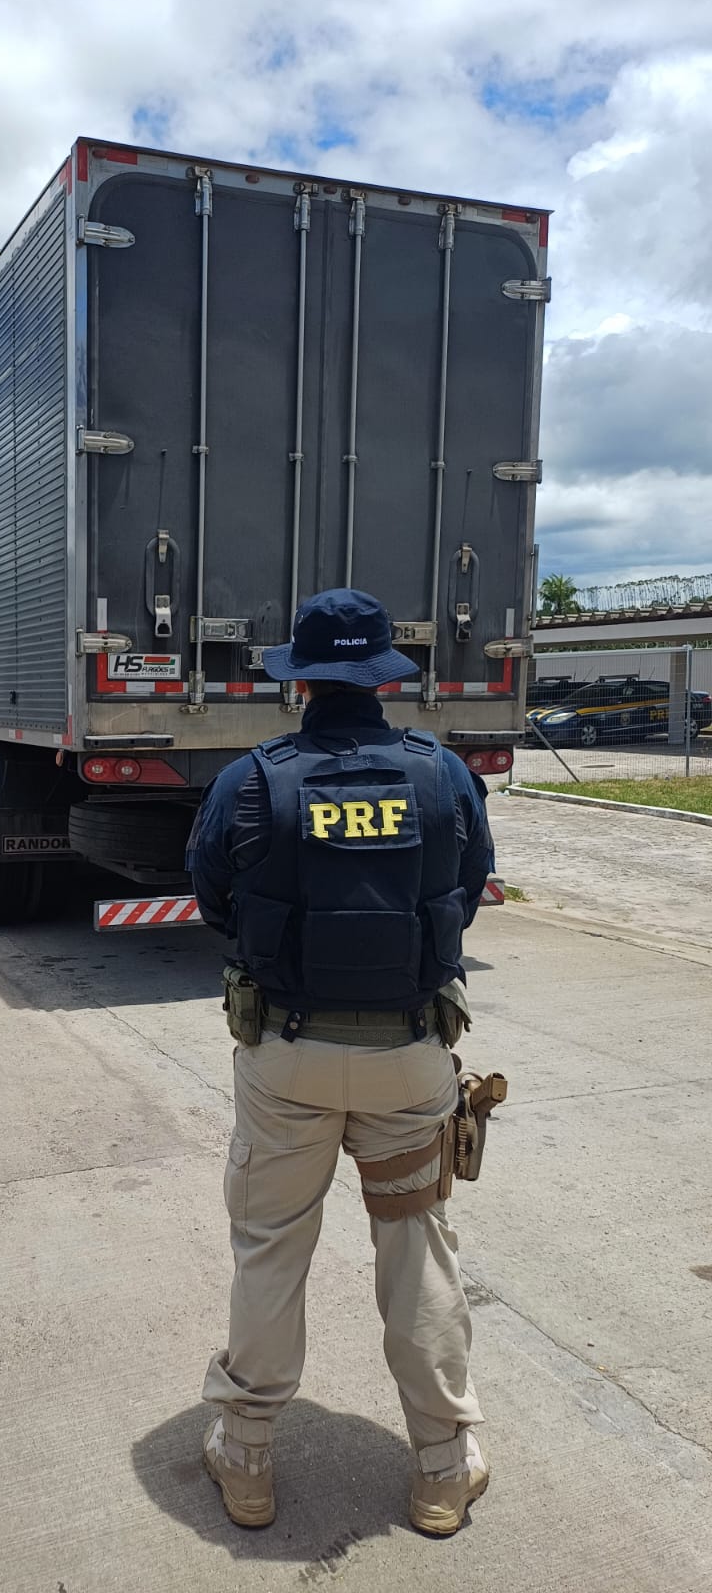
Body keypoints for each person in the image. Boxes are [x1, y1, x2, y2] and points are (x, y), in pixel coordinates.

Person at [187, 587, 493, 1537]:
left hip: (286, 1058)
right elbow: (468, 890)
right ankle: (441, 1468)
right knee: (417, 1250)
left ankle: (246, 1460)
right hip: (410, 1059)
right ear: (384, 679)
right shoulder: (442, 775)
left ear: (305, 680)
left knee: (272, 1248)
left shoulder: (251, 779)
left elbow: (212, 897)